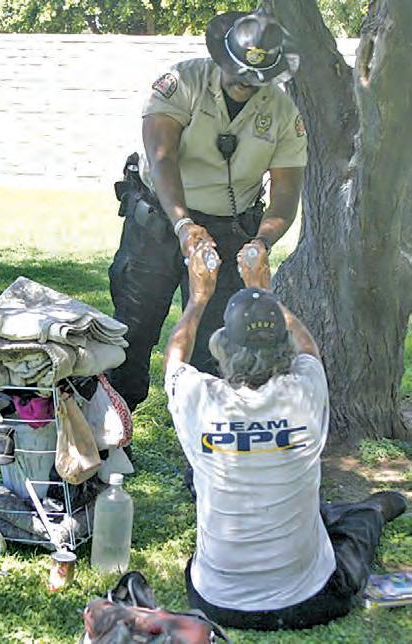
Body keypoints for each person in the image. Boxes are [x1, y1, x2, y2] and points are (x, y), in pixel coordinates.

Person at [162, 243, 408, 630]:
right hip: (311, 600)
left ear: (224, 348)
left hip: (215, 601)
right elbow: (308, 346)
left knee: (203, 475)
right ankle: (369, 512)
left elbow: (174, 357)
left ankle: (334, 514)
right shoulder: (306, 389)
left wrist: (197, 298)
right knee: (357, 528)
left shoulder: (199, 399)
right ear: (283, 349)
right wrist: (267, 294)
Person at [108, 8, 308, 413]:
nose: (244, 84)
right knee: (132, 331)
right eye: (238, 73)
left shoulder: (283, 113)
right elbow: (161, 157)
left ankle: (209, 441)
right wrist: (183, 224)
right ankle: (113, 431)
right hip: (159, 221)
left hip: (231, 232)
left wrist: (262, 241)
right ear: (222, 56)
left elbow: (286, 194)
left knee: (216, 344)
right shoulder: (181, 82)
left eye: (255, 78)